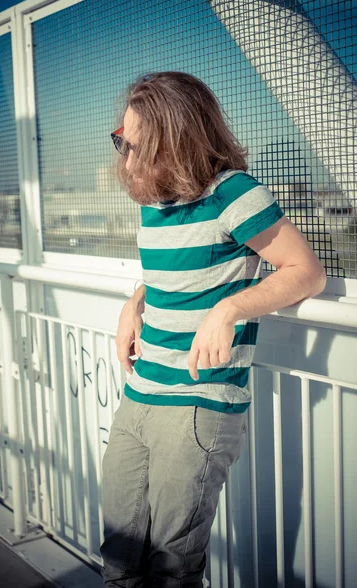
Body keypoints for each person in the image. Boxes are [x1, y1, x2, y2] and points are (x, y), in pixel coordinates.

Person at [100, 72, 326, 587]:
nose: (125, 156)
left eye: (135, 144)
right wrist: (134, 302)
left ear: (174, 139)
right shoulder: (155, 201)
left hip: (198, 406)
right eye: (121, 141)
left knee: (171, 572)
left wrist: (228, 310)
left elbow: (306, 271)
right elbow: (175, 274)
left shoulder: (233, 194)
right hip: (139, 396)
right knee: (118, 560)